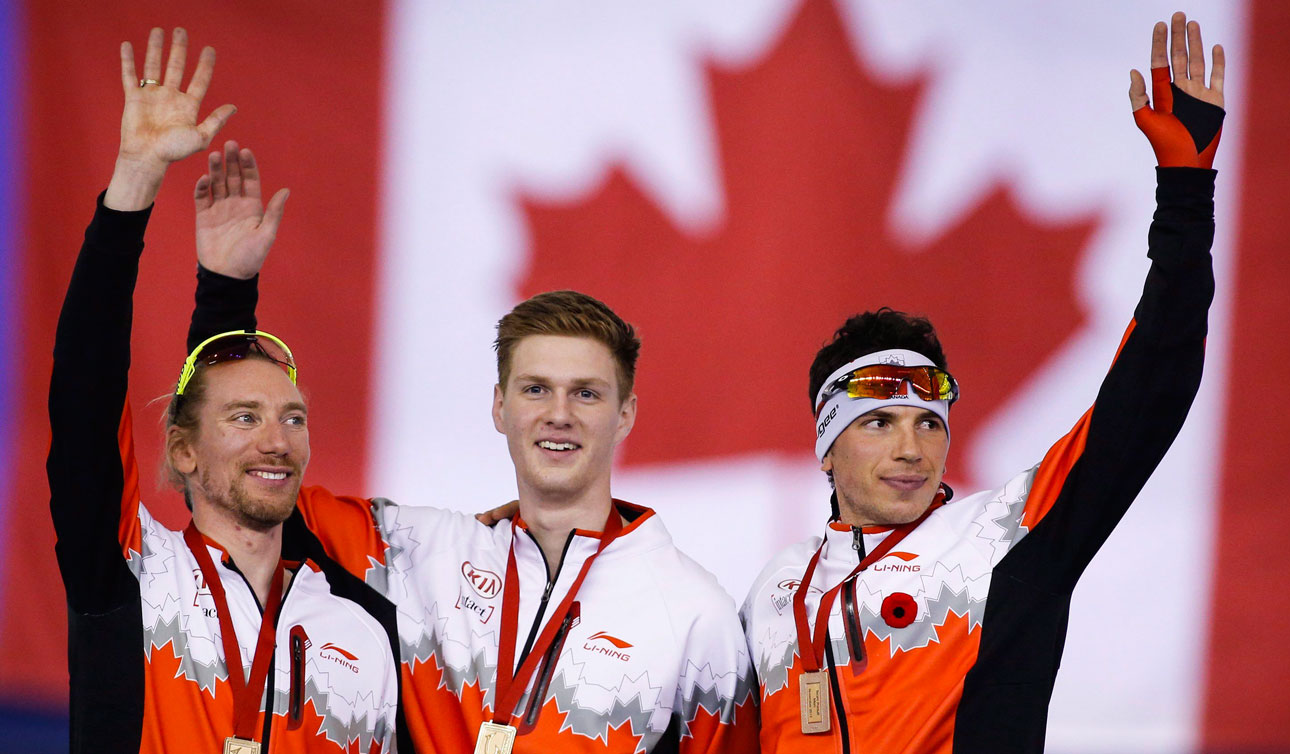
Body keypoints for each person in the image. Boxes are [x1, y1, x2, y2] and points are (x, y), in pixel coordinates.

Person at [739, 12, 1224, 753]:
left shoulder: (1006, 536)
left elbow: (1151, 385)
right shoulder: (773, 591)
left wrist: (1185, 198)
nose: (911, 447)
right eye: (879, 423)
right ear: (826, 449)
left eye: (928, 422)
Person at [187, 157, 760, 752]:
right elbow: (236, 483)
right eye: (535, 389)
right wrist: (226, 295)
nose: (558, 413)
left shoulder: (694, 612)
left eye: (585, 394)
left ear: (625, 417)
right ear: (499, 407)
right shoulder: (413, 557)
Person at [50, 28, 403, 753]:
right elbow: (84, 400)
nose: (276, 438)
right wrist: (134, 188)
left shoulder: (365, 624)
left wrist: (228, 290)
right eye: (247, 418)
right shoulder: (133, 576)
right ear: (181, 451)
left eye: (293, 418)